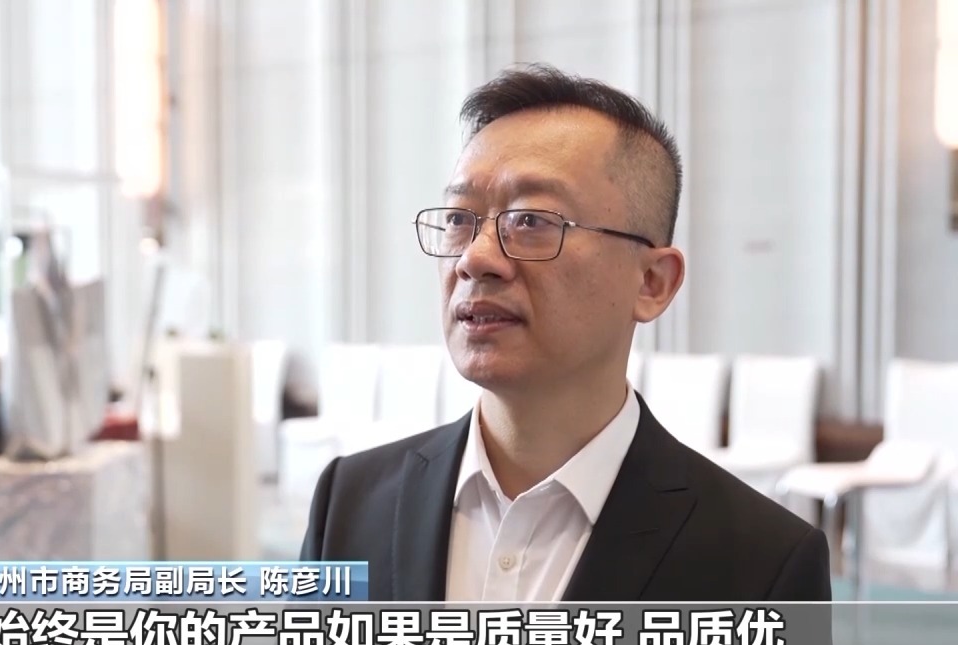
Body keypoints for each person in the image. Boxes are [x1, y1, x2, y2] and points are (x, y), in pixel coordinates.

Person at [299, 63, 832, 603]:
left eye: (531, 220)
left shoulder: (764, 563)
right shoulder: (349, 502)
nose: (475, 259)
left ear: (652, 282)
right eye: (459, 220)